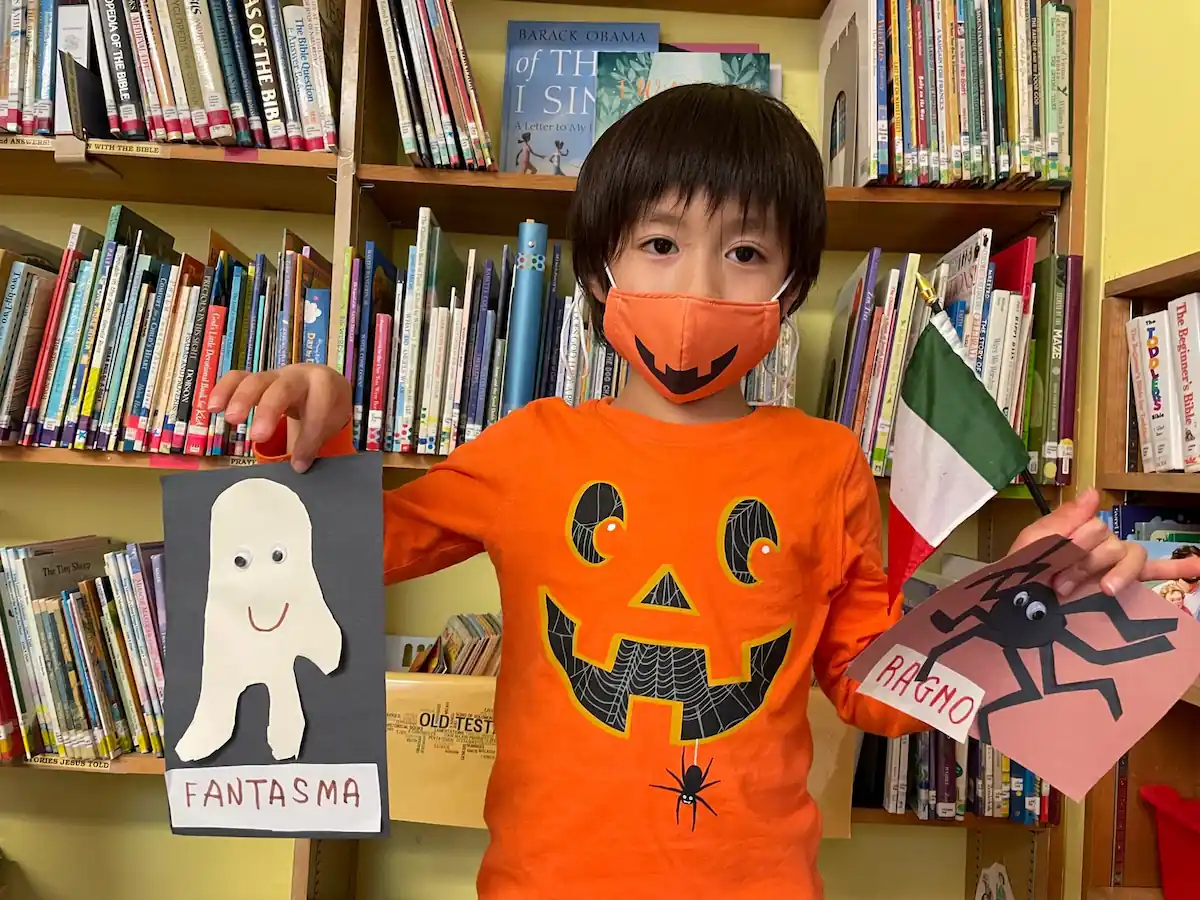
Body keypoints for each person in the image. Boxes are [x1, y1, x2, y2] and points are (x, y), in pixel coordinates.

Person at [208, 84, 1200, 899]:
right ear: (602, 269)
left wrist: (1011, 614)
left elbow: (869, 684)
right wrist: (320, 429)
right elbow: (342, 561)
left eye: (745, 253)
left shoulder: (828, 464)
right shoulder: (532, 448)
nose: (701, 288)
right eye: (660, 243)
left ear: (787, 285)